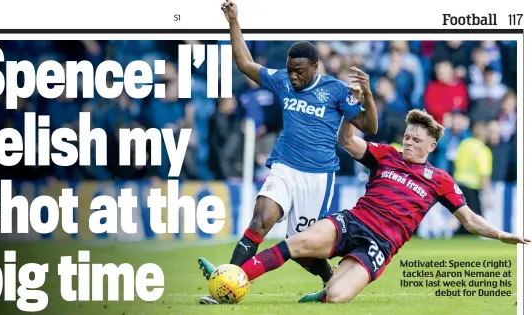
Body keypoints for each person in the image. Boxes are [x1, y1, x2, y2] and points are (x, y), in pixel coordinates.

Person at [200, 109, 529, 304]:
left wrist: (501, 234)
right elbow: (346, 141)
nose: (409, 142)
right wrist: (350, 109)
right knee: (297, 243)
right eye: (407, 136)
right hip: (353, 221)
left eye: (416, 139)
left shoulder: (439, 179)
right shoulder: (386, 154)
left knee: (338, 298)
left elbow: (469, 219)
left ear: (432, 144)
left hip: (381, 244)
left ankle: (325, 291)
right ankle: (231, 278)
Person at [197, 0, 379, 304]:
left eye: (299, 72)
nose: (293, 77)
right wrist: (233, 22)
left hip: (318, 176)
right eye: (290, 70)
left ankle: (330, 279)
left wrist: (369, 95)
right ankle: (226, 284)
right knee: (260, 221)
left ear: (315, 68)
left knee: (302, 251)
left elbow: (369, 126)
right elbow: (245, 64)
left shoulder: (334, 90)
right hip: (284, 167)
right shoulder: (281, 80)